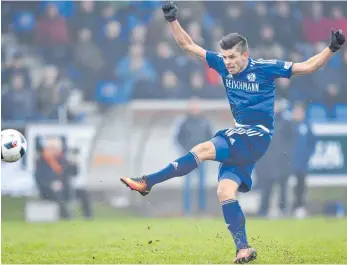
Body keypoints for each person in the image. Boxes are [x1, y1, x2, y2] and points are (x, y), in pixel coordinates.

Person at [121, 2, 345, 263]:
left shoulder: (264, 68)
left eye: (232, 58)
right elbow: (188, 46)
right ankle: (243, 248)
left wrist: (332, 48)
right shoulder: (221, 64)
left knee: (203, 149)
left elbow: (308, 67)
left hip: (257, 135)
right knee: (225, 192)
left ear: (245, 56)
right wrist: (172, 20)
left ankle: (148, 182)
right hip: (242, 139)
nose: (227, 63)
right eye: (224, 58)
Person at [175, 97, 213, 215]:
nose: (195, 108)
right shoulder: (184, 122)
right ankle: (186, 210)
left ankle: (202, 210)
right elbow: (178, 138)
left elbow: (210, 138)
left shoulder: (205, 122)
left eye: (196, 106)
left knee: (202, 185)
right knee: (187, 185)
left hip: (201, 157)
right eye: (192, 106)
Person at [290, 101, 317, 218]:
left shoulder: (307, 125)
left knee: (301, 184)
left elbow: (313, 141)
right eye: (296, 111)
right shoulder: (289, 125)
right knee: (287, 184)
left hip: (302, 162)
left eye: (300, 112)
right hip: (289, 161)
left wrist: (308, 154)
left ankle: (300, 207)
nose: (298, 114)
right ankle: (287, 207)